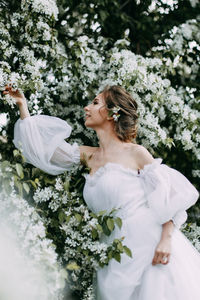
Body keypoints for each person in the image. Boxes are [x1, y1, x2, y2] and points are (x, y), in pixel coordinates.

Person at [3, 84, 200, 300]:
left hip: (149, 246)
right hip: (114, 254)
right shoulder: (89, 156)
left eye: (95, 103)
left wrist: (165, 240)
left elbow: (168, 196)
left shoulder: (136, 153)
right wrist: (23, 105)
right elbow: (41, 150)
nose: (87, 108)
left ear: (112, 113)